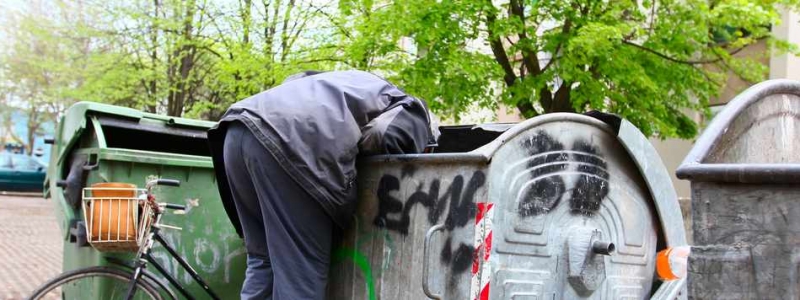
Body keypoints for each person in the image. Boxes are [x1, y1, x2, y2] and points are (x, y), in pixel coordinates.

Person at [208, 70, 437, 299]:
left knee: (262, 259)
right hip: (292, 145)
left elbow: (292, 83)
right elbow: (382, 135)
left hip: (236, 130)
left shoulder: (344, 83)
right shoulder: (410, 107)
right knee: (300, 277)